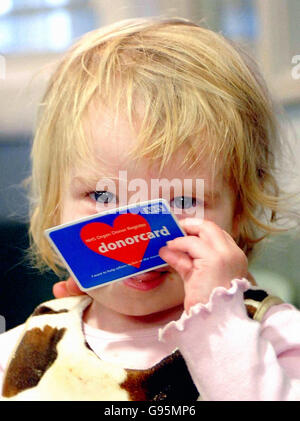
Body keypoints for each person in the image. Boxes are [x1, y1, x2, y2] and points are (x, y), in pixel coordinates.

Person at [1, 17, 300, 401]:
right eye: (104, 197)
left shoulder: (274, 336)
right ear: (57, 207)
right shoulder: (24, 352)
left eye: (182, 201)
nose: (136, 234)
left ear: (239, 212)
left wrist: (219, 327)